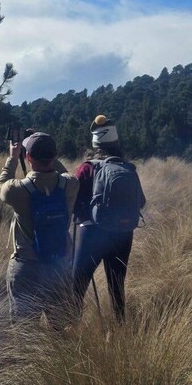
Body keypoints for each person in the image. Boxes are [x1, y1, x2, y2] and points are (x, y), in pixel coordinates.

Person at [0, 132, 79, 326]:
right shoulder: (71, 184)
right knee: (60, 327)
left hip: (27, 266)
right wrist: (47, 150)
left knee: (26, 330)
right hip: (59, 266)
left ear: (28, 157)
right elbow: (64, 174)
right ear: (54, 156)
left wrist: (13, 157)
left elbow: (0, 186)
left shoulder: (17, 190)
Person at [72, 115, 146, 322]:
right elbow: (141, 202)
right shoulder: (128, 169)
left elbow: (72, 201)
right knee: (117, 286)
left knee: (77, 285)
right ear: (116, 142)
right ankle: (119, 327)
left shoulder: (87, 168)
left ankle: (71, 328)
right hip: (123, 235)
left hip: (91, 234)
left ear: (95, 143)